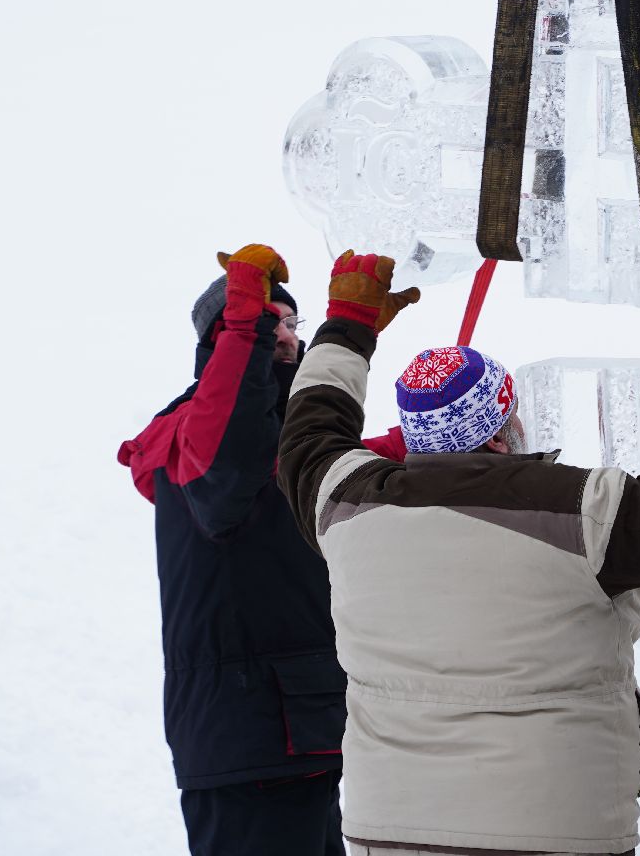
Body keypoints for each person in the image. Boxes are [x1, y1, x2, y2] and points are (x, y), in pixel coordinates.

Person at [277, 250, 640, 856]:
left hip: (391, 830)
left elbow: (309, 430)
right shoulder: (580, 511)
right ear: (503, 432)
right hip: (556, 833)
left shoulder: (344, 506)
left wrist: (347, 324)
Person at [118, 244, 410, 856]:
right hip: (249, 739)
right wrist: (245, 323)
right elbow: (227, 458)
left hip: (303, 729)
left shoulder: (271, 446)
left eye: (291, 322)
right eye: (263, 320)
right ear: (224, 338)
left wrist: (437, 429)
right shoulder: (194, 437)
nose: (285, 335)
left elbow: (346, 473)